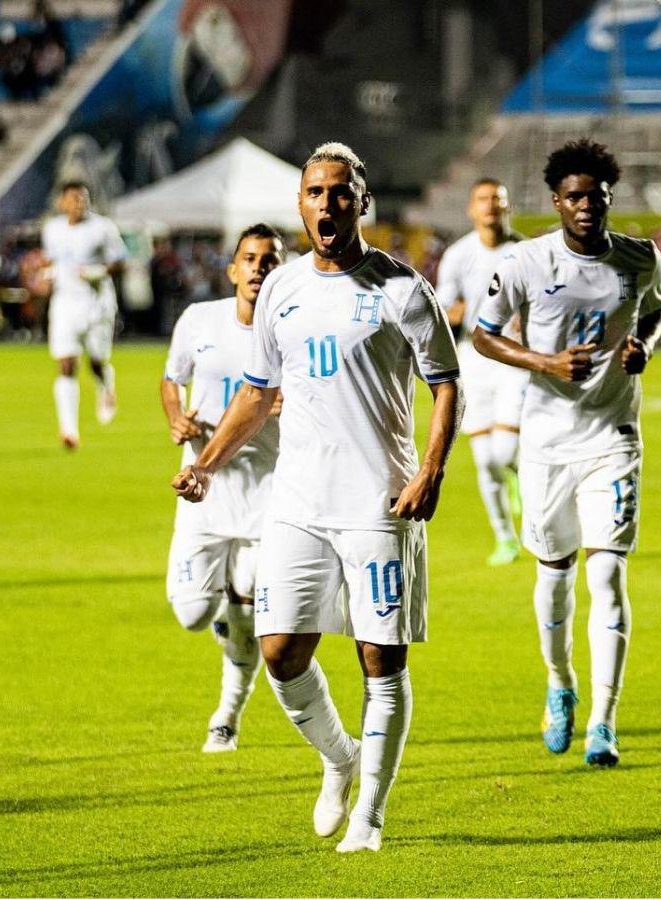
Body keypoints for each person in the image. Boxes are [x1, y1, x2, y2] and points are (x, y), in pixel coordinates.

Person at [171, 142, 462, 853]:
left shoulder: (400, 288)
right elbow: (260, 392)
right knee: (279, 652)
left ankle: (371, 816)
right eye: (314, 192)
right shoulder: (281, 289)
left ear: (360, 201)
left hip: (377, 504)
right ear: (300, 203)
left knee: (379, 660)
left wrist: (431, 470)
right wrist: (207, 462)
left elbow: (447, 382)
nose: (326, 204)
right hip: (297, 501)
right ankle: (341, 757)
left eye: (340, 192)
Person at [472, 138, 661, 768]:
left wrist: (645, 345)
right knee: (554, 576)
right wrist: (543, 362)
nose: (586, 206)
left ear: (610, 199)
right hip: (547, 443)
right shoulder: (527, 262)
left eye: (596, 196)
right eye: (574, 197)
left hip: (613, 438)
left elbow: (657, 313)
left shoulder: (640, 259)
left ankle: (605, 724)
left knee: (607, 572)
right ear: (556, 202)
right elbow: (482, 333)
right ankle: (560, 683)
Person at [162, 224, 286, 752]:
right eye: (250, 259)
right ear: (233, 269)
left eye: (270, 260)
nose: (259, 267)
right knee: (193, 614)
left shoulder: (293, 331)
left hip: (268, 493)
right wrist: (176, 420)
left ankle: (227, 716)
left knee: (250, 610)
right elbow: (173, 378)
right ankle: (215, 611)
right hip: (202, 492)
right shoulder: (199, 320)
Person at [435, 179, 528, 566]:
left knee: (504, 450)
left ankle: (519, 473)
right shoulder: (458, 255)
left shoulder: (525, 253)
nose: (490, 205)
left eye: (497, 199)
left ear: (508, 207)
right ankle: (505, 538)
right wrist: (450, 312)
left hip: (513, 358)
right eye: (483, 199)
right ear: (471, 209)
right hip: (472, 359)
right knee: (483, 459)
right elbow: (440, 304)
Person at [40, 180, 127, 449]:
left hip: (96, 303)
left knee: (96, 362)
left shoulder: (103, 228)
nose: (80, 203)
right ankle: (69, 430)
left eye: (84, 198)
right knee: (66, 364)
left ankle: (105, 382)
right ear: (62, 202)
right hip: (64, 303)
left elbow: (121, 262)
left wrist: (97, 272)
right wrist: (45, 277)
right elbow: (52, 263)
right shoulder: (52, 229)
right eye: (75, 198)